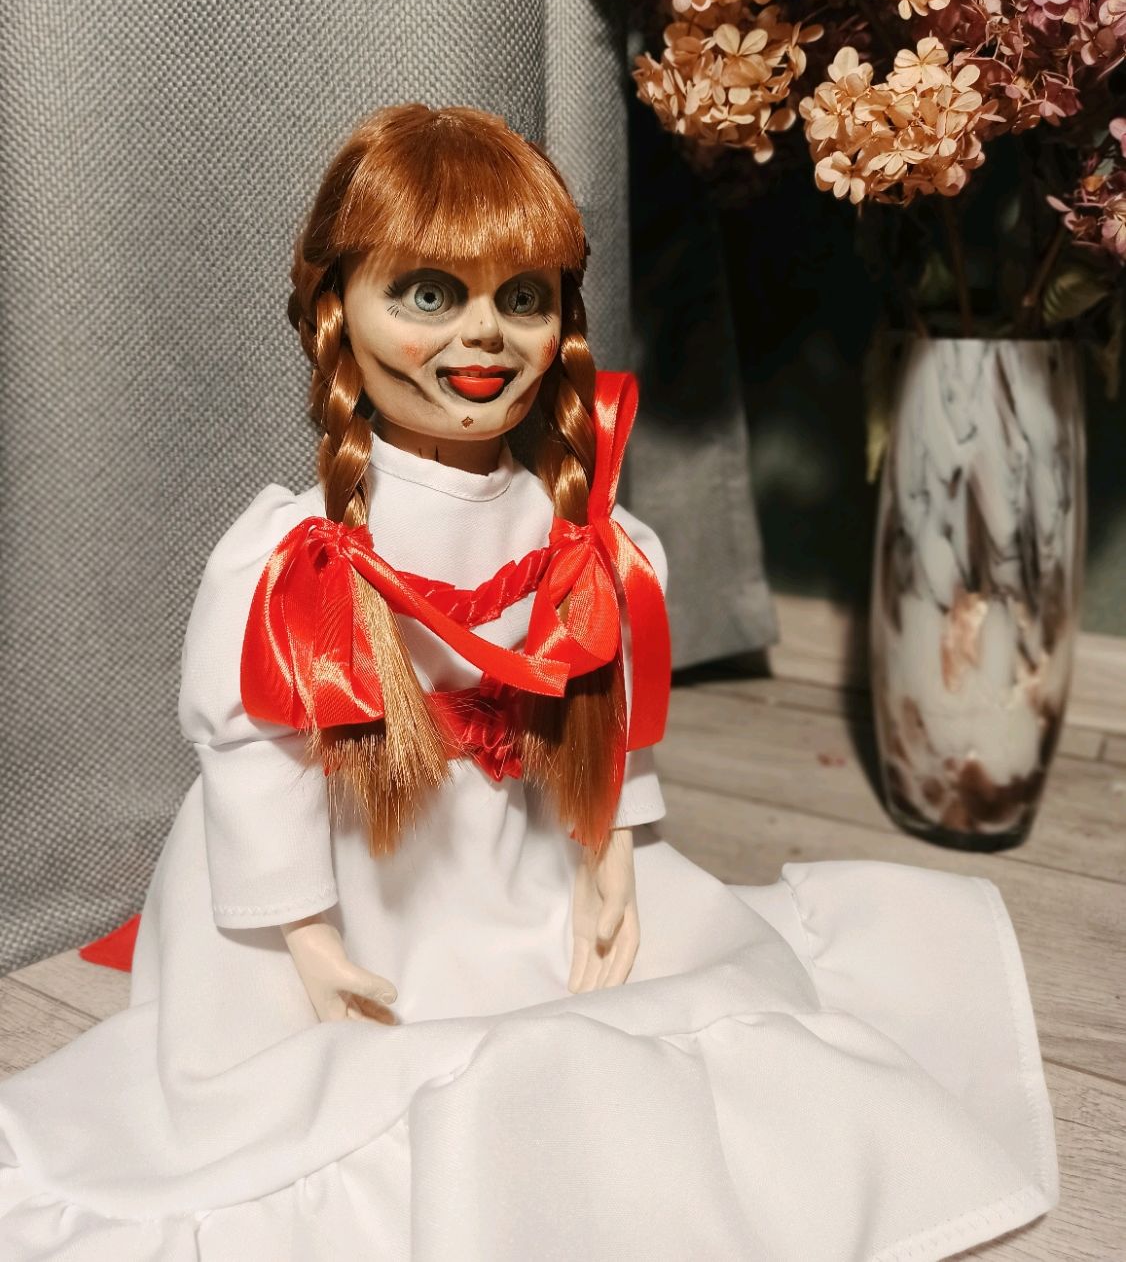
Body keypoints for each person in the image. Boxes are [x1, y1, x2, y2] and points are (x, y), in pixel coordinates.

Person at [0, 106, 1057, 1260]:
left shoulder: (582, 531)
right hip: (344, 856)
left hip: (519, 839)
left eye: (521, 297)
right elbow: (260, 760)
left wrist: (611, 855)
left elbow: (602, 699)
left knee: (674, 1019)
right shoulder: (295, 558)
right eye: (427, 294)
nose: (483, 335)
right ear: (335, 311)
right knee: (330, 1104)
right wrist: (306, 936)